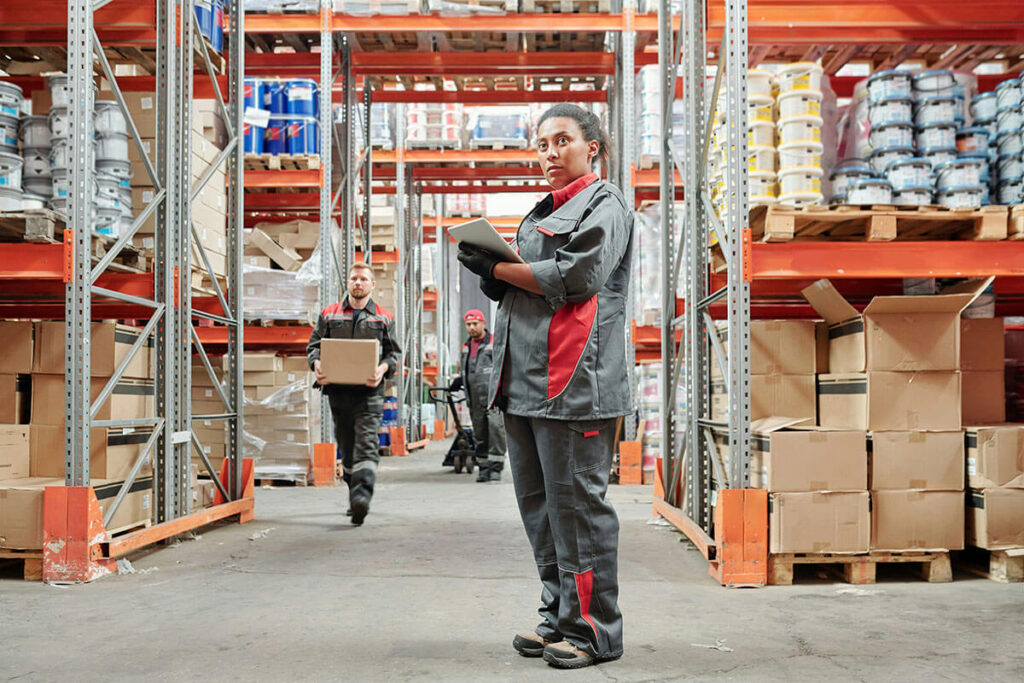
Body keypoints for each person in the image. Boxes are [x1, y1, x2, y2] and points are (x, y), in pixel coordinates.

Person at [457, 103, 633, 669]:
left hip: (575, 385)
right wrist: (495, 271)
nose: (550, 154)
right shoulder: (539, 215)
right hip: (525, 386)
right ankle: (558, 617)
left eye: (562, 141)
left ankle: (594, 632)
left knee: (578, 510)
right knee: (541, 510)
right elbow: (518, 291)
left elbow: (574, 278)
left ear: (593, 148)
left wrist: (497, 269)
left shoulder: (605, 206)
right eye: (541, 145)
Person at [306, 262, 401, 526]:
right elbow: (313, 347)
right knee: (347, 448)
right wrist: (317, 365)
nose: (357, 283)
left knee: (367, 443)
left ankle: (362, 497)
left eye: (362, 279)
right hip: (338, 391)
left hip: (370, 392)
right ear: (347, 283)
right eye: (353, 279)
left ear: (372, 285)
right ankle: (353, 491)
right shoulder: (329, 314)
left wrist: (382, 369)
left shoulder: (384, 317)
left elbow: (393, 354)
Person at [450, 309, 507, 482]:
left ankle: (495, 468)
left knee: (496, 430)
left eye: (475, 323)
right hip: (474, 398)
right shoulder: (466, 347)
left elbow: (503, 365)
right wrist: (460, 379)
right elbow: (468, 369)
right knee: (480, 433)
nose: (472, 327)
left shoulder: (493, 342)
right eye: (468, 324)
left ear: (483, 323)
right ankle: (483, 467)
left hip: (493, 397)